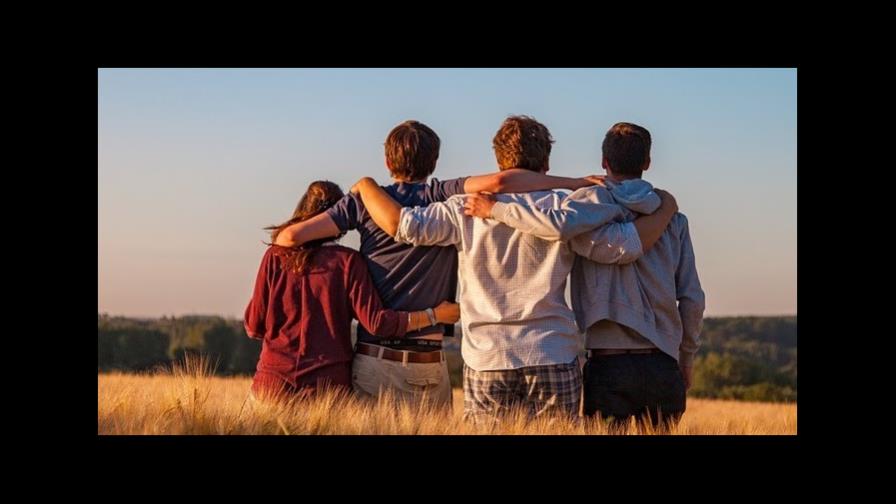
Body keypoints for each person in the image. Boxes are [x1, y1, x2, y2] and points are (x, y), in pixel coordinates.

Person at [351, 116, 678, 422]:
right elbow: (621, 247)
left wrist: (366, 186)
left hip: (488, 357)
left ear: (499, 161)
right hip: (552, 351)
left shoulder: (463, 208)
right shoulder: (565, 207)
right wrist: (665, 210)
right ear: (546, 163)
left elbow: (403, 226)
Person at [272, 120, 604, 408]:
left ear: (388, 161)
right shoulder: (442, 194)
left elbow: (288, 239)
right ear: (435, 161)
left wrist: (346, 241)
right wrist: (573, 183)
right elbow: (503, 183)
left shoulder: (363, 202)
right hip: (431, 361)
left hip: (375, 357)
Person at [464, 122, 705, 431]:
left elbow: (555, 226)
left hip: (607, 364)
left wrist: (496, 209)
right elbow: (692, 298)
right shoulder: (673, 219)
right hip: (663, 363)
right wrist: (686, 357)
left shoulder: (584, 210)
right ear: (647, 163)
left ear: (604, 162)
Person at [244, 180, 460, 402]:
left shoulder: (275, 257)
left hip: (272, 385)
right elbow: (377, 323)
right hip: (327, 390)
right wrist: (434, 315)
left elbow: (254, 326)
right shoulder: (348, 262)